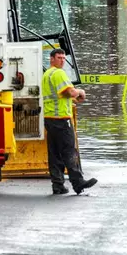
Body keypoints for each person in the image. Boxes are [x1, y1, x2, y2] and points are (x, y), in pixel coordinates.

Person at [42, 49, 98, 195]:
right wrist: (80, 92)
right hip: (61, 119)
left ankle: (58, 185)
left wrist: (72, 97)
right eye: (59, 58)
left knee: (54, 154)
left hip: (49, 119)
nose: (62, 61)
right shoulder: (59, 73)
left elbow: (61, 95)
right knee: (69, 151)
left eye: (63, 58)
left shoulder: (46, 75)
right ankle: (78, 183)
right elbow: (71, 92)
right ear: (51, 59)